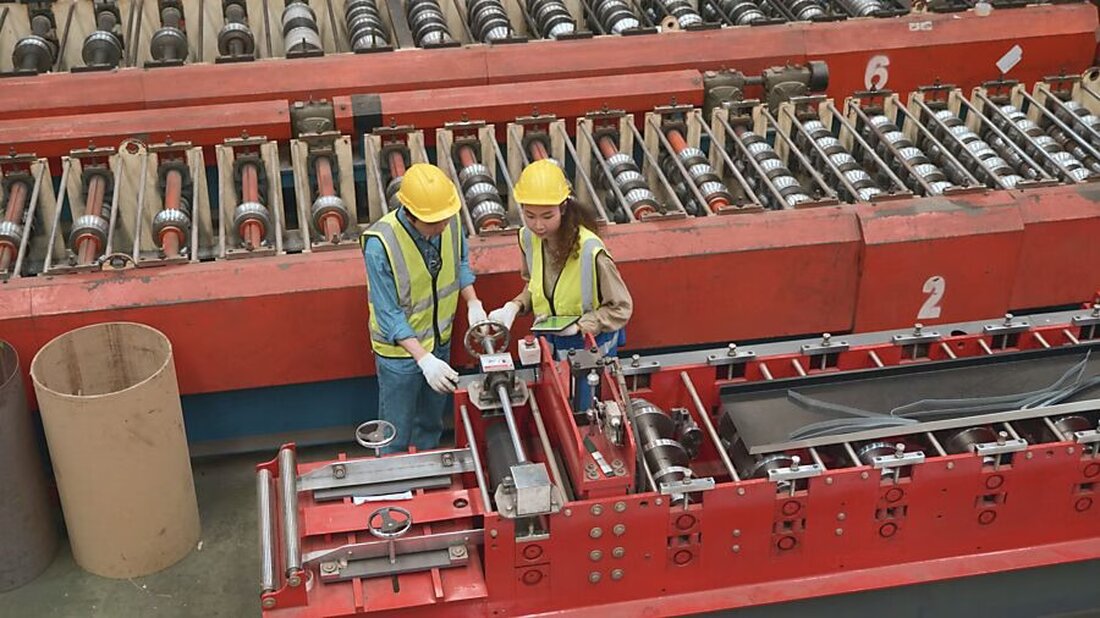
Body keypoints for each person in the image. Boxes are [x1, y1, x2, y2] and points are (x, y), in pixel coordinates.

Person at [360, 163, 487, 453]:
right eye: (433, 223)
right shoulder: (381, 245)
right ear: (410, 214)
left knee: (431, 423)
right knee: (395, 431)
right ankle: (391, 475)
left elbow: (459, 263)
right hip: (400, 356)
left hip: (440, 342)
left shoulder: (448, 220)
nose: (442, 227)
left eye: (445, 219)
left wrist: (473, 302)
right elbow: (389, 314)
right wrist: (423, 359)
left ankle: (429, 468)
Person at [488, 159, 632, 361]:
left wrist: (581, 326)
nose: (538, 225)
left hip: (590, 349)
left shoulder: (590, 250)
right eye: (530, 216)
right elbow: (536, 285)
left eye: (547, 216)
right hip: (550, 344)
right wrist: (514, 306)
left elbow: (620, 308)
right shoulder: (528, 238)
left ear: (563, 208)